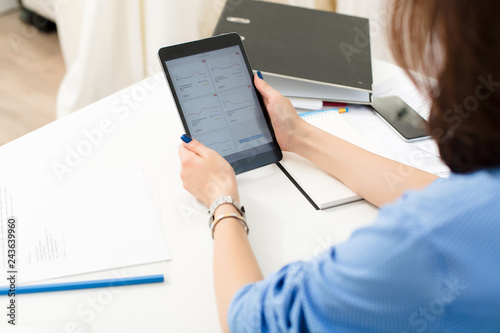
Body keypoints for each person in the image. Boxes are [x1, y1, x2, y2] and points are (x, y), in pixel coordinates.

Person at [178, 0, 500, 331]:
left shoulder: (417, 246)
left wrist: (222, 200)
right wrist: (298, 134)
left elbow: (250, 320)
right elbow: (448, 198)